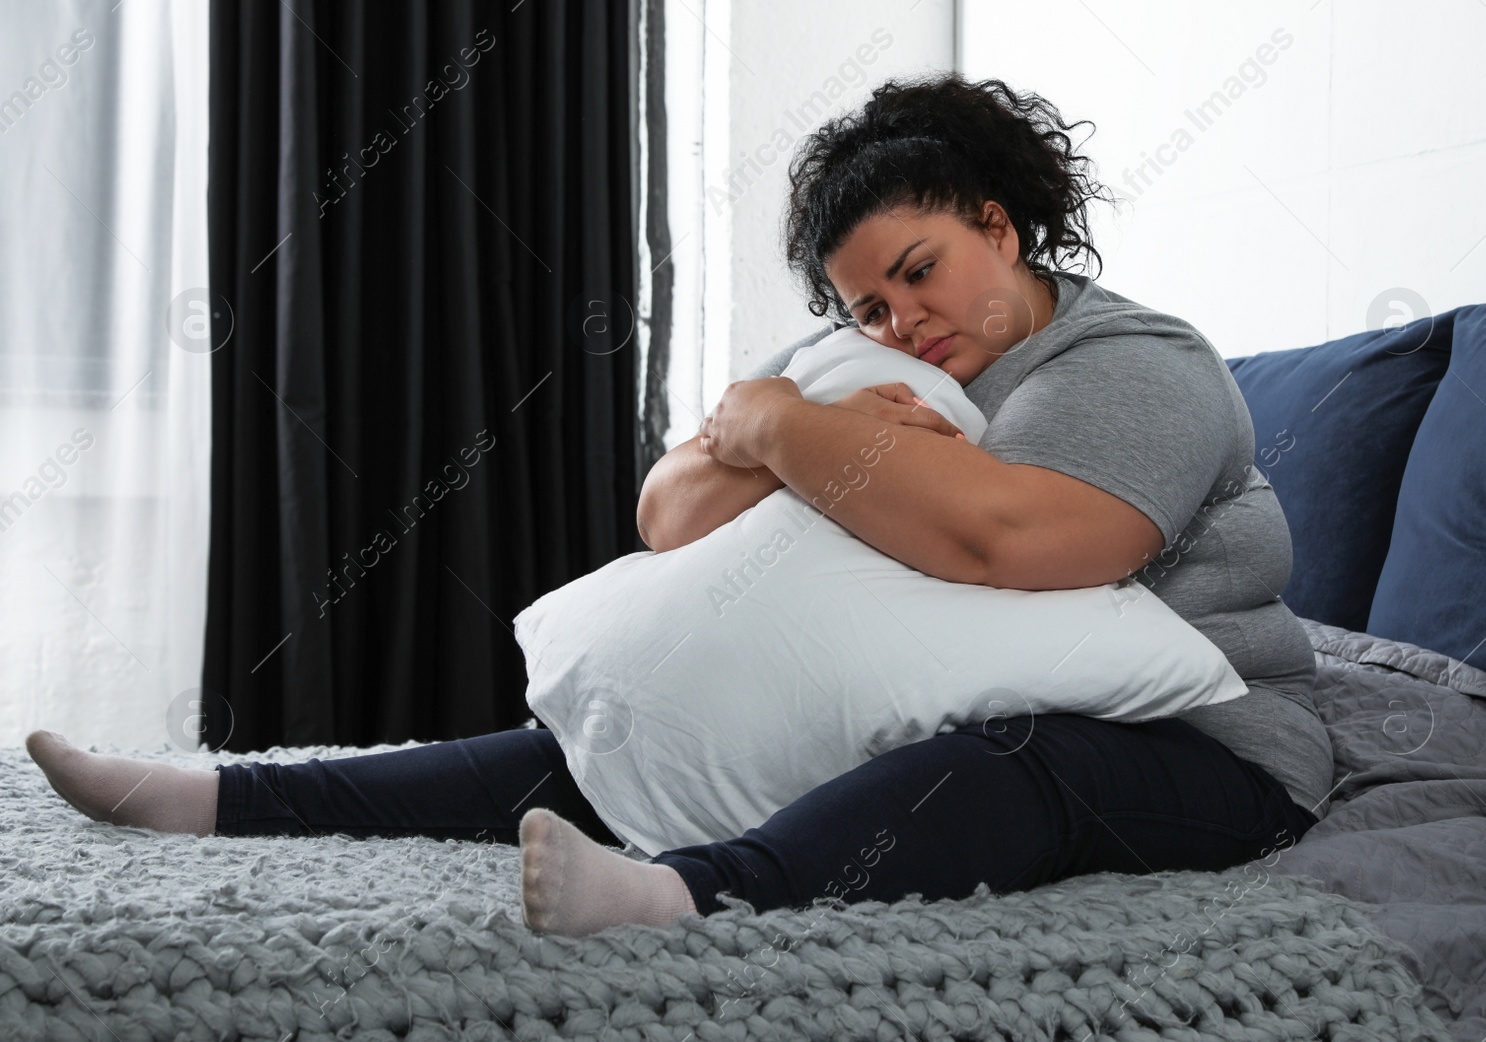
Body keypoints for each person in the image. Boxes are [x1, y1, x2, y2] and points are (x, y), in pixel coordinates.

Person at [26, 73, 1332, 939]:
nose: (901, 321)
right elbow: (670, 508)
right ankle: (205, 800)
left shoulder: (1135, 368)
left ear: (1001, 225)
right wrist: (773, 423)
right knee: (590, 743)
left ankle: (686, 897)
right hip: (957, 683)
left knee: (993, 766)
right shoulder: (858, 380)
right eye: (867, 305)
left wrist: (773, 427)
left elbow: (1020, 541)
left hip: (1196, 748)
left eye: (922, 272)